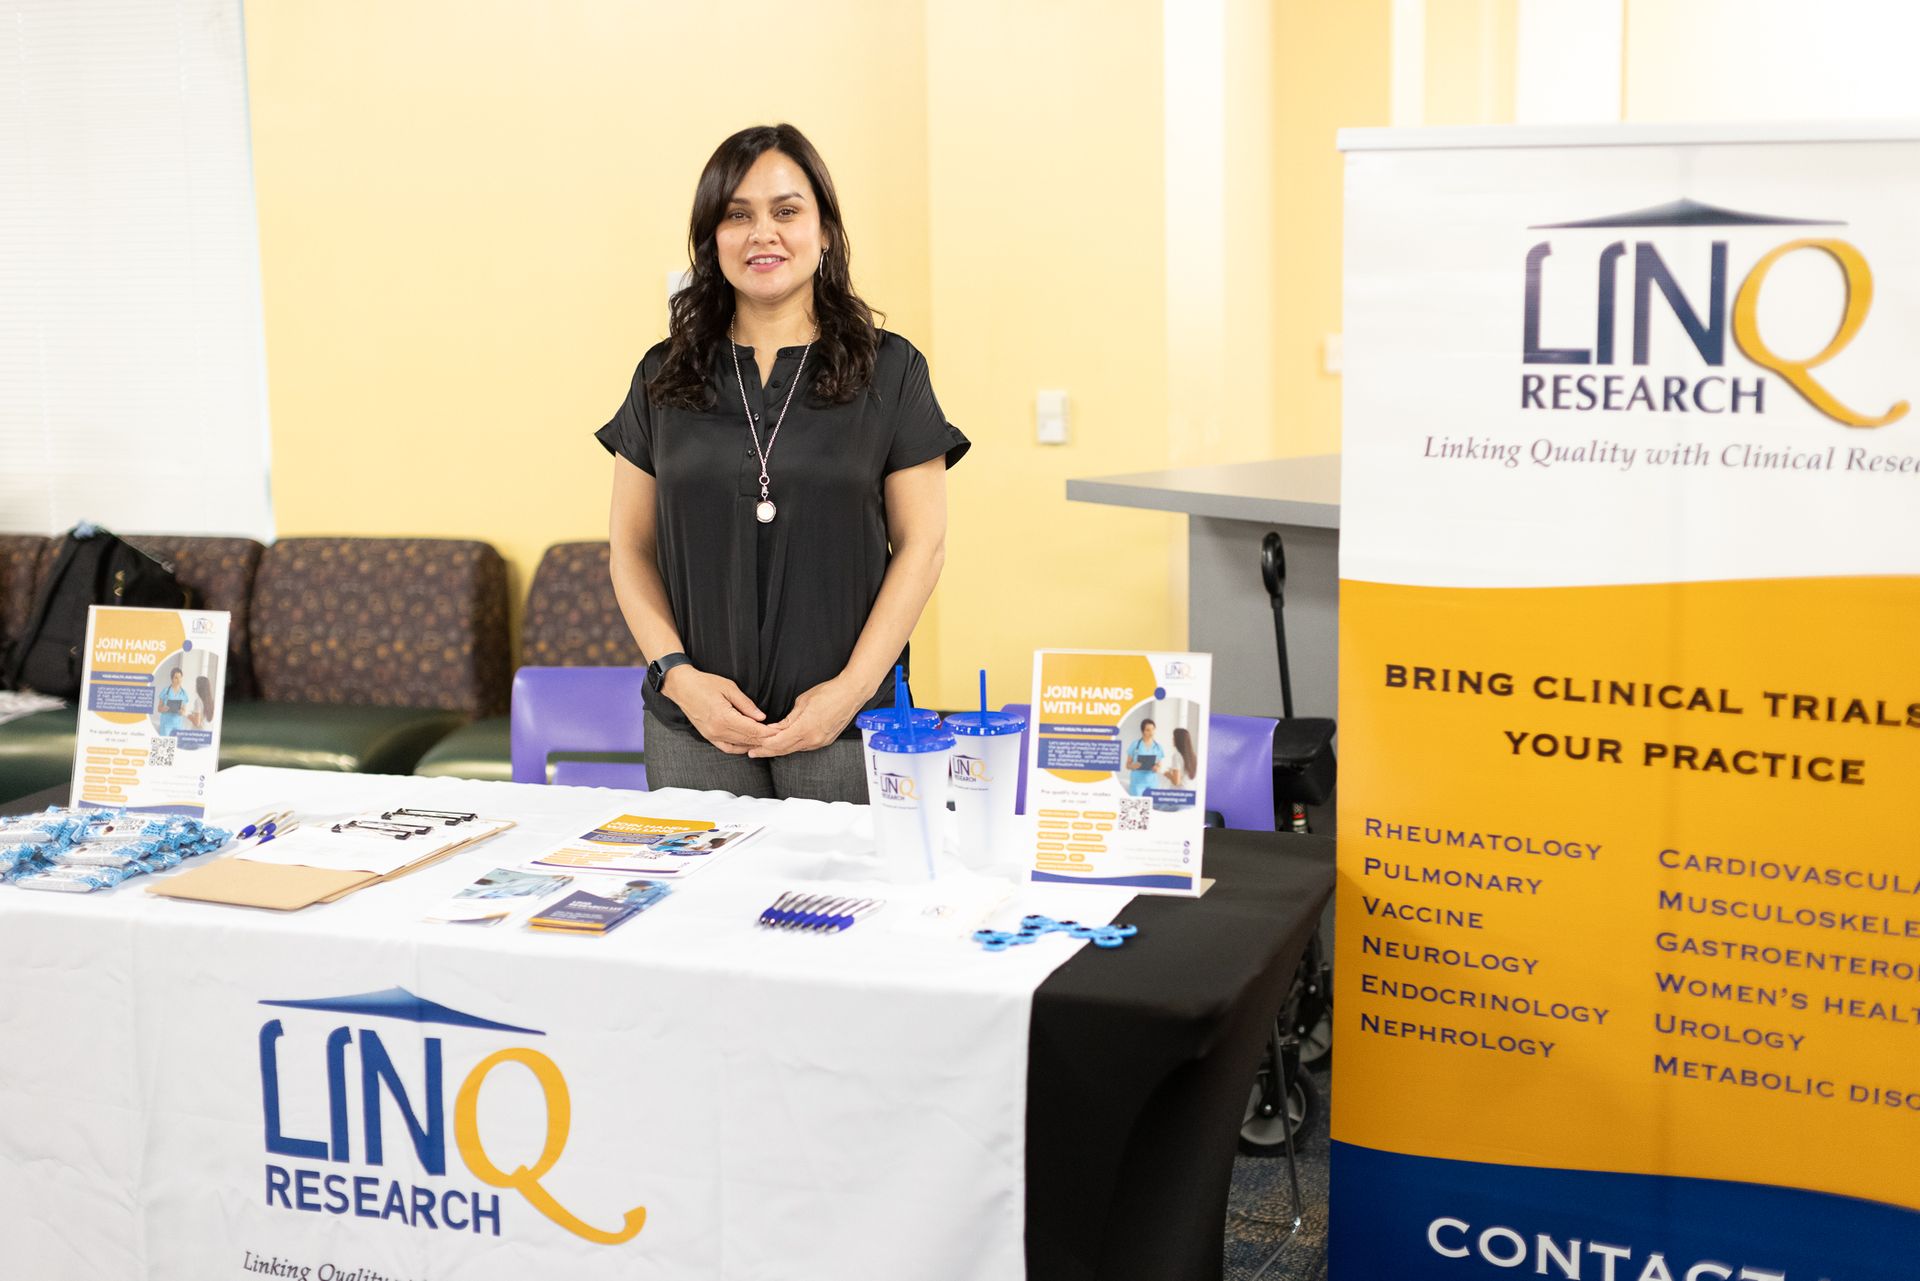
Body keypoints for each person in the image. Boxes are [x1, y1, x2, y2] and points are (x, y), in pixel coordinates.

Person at [599, 124, 968, 803]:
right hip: (695, 729)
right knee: (706, 908)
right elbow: (629, 548)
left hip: (847, 727)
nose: (761, 233)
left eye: (786, 211)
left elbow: (924, 545)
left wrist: (848, 693)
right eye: (737, 215)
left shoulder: (892, 370)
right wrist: (678, 675)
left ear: (825, 231)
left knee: (843, 909)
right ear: (712, 238)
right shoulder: (663, 375)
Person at [1125, 718, 1166, 796]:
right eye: (1148, 730)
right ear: (1143, 731)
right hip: (1137, 783)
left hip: (1152, 783)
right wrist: (1132, 766)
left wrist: (1157, 768)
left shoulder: (1158, 747)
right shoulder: (1135, 745)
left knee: (1152, 806)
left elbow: (1159, 765)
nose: (1151, 732)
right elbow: (1127, 765)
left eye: (1153, 729)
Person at [154, 668, 189, 736]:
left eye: (180, 677)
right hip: (166, 724)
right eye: (176, 678)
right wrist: (163, 709)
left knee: (176, 745)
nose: (178, 680)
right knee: (165, 744)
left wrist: (182, 712)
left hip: (178, 724)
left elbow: (184, 710)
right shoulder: (165, 691)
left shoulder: (184, 693)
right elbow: (159, 708)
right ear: (172, 679)